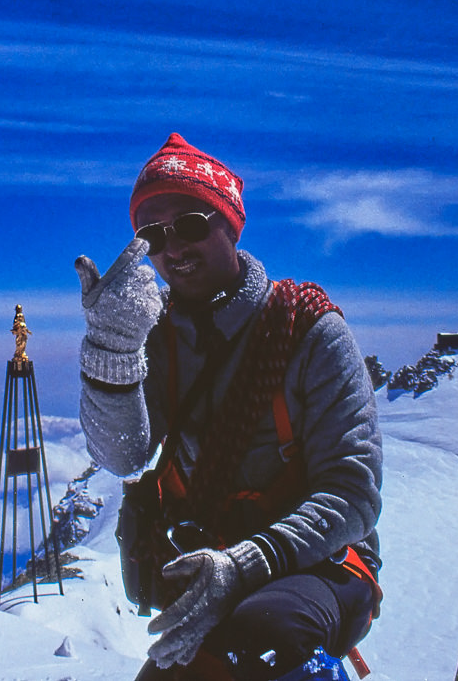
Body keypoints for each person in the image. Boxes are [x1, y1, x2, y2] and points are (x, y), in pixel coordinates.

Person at [75, 133, 382, 681]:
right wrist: (112, 352)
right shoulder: (157, 338)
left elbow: (354, 495)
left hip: (320, 561)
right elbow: (122, 456)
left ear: (230, 226)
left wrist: (247, 563)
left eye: (190, 224)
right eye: (152, 235)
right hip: (210, 563)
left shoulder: (310, 332)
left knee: (263, 636)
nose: (172, 248)